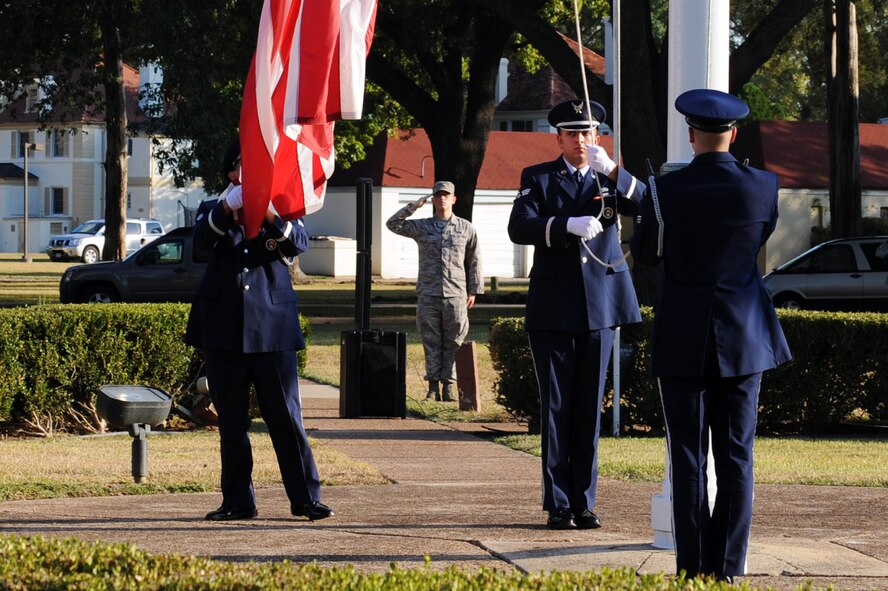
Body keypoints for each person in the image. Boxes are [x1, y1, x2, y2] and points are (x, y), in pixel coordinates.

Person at [630, 89, 792, 582]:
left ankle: (692, 567)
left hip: (683, 334)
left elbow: (648, 255)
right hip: (745, 336)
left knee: (688, 457)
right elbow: (758, 241)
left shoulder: (663, 190)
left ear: (691, 134)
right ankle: (726, 568)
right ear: (734, 134)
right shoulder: (764, 186)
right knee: (737, 456)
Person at [508, 100, 644, 530]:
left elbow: (650, 206)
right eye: (573, 134)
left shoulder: (608, 178)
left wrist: (615, 173)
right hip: (554, 309)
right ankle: (559, 503)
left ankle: (584, 501)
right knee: (556, 409)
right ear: (560, 138)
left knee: (589, 409)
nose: (582, 141)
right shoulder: (539, 177)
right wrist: (563, 225)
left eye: (589, 134)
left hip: (601, 306)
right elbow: (519, 225)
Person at [184, 139, 334, 522]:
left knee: (286, 419)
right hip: (224, 334)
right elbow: (200, 245)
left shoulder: (283, 208)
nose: (247, 174)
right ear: (231, 173)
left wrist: (269, 214)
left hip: (272, 332)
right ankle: (237, 501)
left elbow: (298, 243)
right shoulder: (210, 210)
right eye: (241, 167)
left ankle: (305, 498)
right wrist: (226, 208)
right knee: (232, 423)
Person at [386, 180, 484, 402]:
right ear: (433, 199)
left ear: (453, 199)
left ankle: (449, 386)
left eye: (446, 195)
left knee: (454, 341)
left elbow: (475, 260)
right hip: (428, 293)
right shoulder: (423, 227)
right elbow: (392, 224)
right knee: (431, 340)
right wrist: (412, 207)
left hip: (456, 294)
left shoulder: (466, 228)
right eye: (438, 195)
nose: (442, 199)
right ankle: (432, 387)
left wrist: (474, 290)